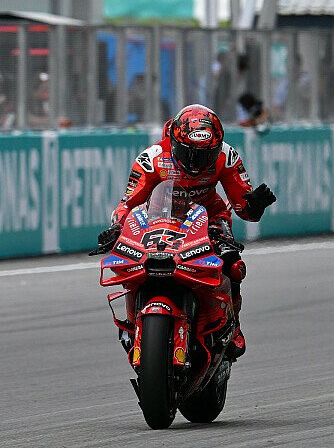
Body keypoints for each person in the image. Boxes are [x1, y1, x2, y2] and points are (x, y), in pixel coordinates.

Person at [98, 104, 276, 361]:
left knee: (232, 263)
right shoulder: (153, 158)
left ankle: (232, 325)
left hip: (209, 217)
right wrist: (117, 227)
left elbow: (243, 209)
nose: (196, 163)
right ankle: (133, 320)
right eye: (190, 154)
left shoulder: (227, 156)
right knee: (129, 258)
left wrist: (254, 205)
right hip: (158, 219)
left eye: (205, 155)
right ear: (175, 141)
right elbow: (128, 204)